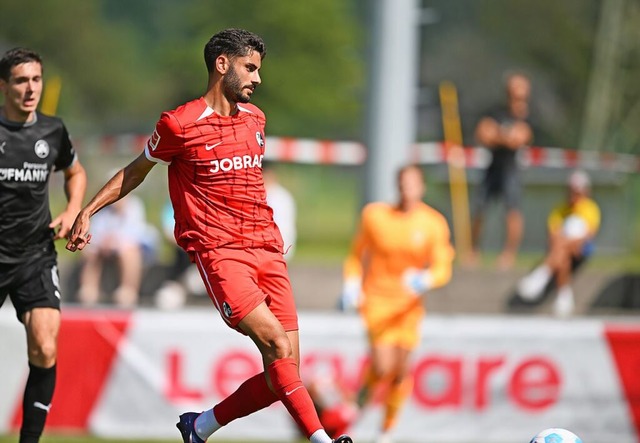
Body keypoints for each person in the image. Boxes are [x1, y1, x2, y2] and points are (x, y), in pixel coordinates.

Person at [65, 29, 352, 443]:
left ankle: (199, 426)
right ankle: (322, 440)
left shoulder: (256, 119)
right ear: (222, 64)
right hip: (222, 255)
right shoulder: (178, 124)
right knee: (275, 344)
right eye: (250, 68)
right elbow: (135, 171)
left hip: (268, 250)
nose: (257, 79)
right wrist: (87, 211)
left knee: (284, 372)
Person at [0, 48, 87, 443]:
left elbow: (76, 171)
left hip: (35, 253)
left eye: (36, 79)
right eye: (21, 80)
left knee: (45, 343)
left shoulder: (52, 131)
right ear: (4, 87)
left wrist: (72, 210)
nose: (30, 88)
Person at [340, 165, 455, 443]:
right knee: (382, 365)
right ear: (397, 186)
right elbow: (356, 254)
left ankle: (387, 430)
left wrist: (426, 279)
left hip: (409, 307)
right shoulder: (375, 216)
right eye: (403, 183)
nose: (407, 189)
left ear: (422, 187)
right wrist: (351, 284)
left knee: (400, 371)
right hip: (378, 300)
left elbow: (444, 265)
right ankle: (355, 411)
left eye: (413, 183)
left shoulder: (433, 222)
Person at [470, 71, 533, 269]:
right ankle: (473, 250)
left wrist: (498, 135)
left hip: (511, 169)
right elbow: (482, 133)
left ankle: (509, 254)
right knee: (480, 207)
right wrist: (504, 136)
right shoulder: (496, 111)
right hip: (492, 167)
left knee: (512, 210)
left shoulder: (530, 115)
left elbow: (519, 139)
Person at [516, 170, 600, 317]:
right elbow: (552, 236)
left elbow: (586, 237)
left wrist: (566, 242)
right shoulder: (559, 209)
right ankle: (564, 296)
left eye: (577, 191)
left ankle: (540, 275)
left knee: (568, 234)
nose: (574, 195)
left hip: (581, 248)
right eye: (572, 190)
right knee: (563, 256)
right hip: (562, 249)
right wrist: (564, 243)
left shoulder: (590, 208)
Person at [76, 193, 157, 307]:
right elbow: (95, 234)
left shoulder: (135, 206)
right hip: (108, 248)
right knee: (90, 252)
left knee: (129, 253)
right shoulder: (102, 209)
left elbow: (133, 236)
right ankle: (89, 288)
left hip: (131, 248)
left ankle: (128, 290)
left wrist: (114, 243)